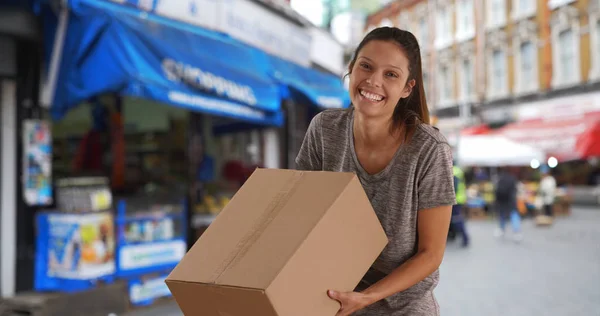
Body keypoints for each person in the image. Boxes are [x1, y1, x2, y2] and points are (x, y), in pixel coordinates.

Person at [296, 27, 455, 316]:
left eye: (390, 74)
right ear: (351, 68)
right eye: (365, 66)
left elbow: (431, 255)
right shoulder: (324, 129)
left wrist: (366, 297)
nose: (373, 81)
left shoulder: (429, 149)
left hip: (403, 308)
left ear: (408, 88)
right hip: (330, 301)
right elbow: (302, 214)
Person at [494, 167, 523, 241]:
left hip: (502, 201)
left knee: (502, 216)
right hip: (511, 200)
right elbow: (515, 189)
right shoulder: (512, 178)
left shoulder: (500, 179)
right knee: (514, 215)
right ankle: (517, 232)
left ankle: (501, 230)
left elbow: (497, 191)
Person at [451, 163, 470, 247]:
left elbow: (454, 187)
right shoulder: (457, 170)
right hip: (459, 199)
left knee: (456, 219)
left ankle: (465, 238)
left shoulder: (453, 171)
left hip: (455, 200)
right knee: (455, 219)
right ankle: (455, 236)